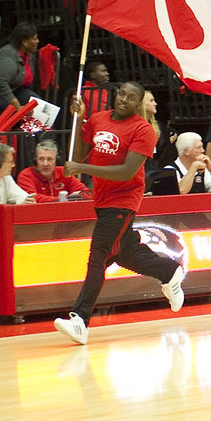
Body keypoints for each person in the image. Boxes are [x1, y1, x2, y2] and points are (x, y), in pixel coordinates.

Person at [54, 83, 186, 345]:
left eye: (131, 97)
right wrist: (80, 119)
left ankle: (80, 319)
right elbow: (81, 153)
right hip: (103, 200)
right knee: (125, 252)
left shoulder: (142, 130)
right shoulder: (98, 119)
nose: (124, 99)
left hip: (123, 201)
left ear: (138, 104)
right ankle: (169, 271)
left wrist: (82, 167)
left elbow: (127, 172)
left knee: (99, 255)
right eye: (122, 93)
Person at [0, 22, 40, 122]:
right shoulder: (8, 56)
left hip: (15, 89)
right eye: (34, 39)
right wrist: (17, 105)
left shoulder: (29, 55)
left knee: (37, 102)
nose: (37, 41)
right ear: (24, 42)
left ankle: (42, 136)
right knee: (5, 106)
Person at [16, 139, 91, 202]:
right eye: (41, 159)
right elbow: (32, 198)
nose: (45, 164)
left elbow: (87, 194)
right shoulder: (26, 175)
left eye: (50, 159)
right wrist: (65, 199)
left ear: (56, 160)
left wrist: (73, 198)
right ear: (36, 160)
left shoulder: (63, 172)